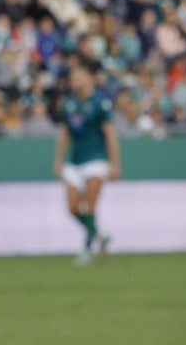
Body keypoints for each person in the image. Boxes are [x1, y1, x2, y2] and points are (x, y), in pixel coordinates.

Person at [53, 61, 121, 266]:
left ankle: (86, 250)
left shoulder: (100, 103)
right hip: (75, 161)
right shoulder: (69, 104)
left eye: (78, 76)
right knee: (72, 208)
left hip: (96, 160)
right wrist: (58, 160)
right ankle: (100, 235)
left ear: (89, 78)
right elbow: (65, 133)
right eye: (72, 77)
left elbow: (110, 134)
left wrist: (115, 163)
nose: (74, 80)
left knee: (90, 206)